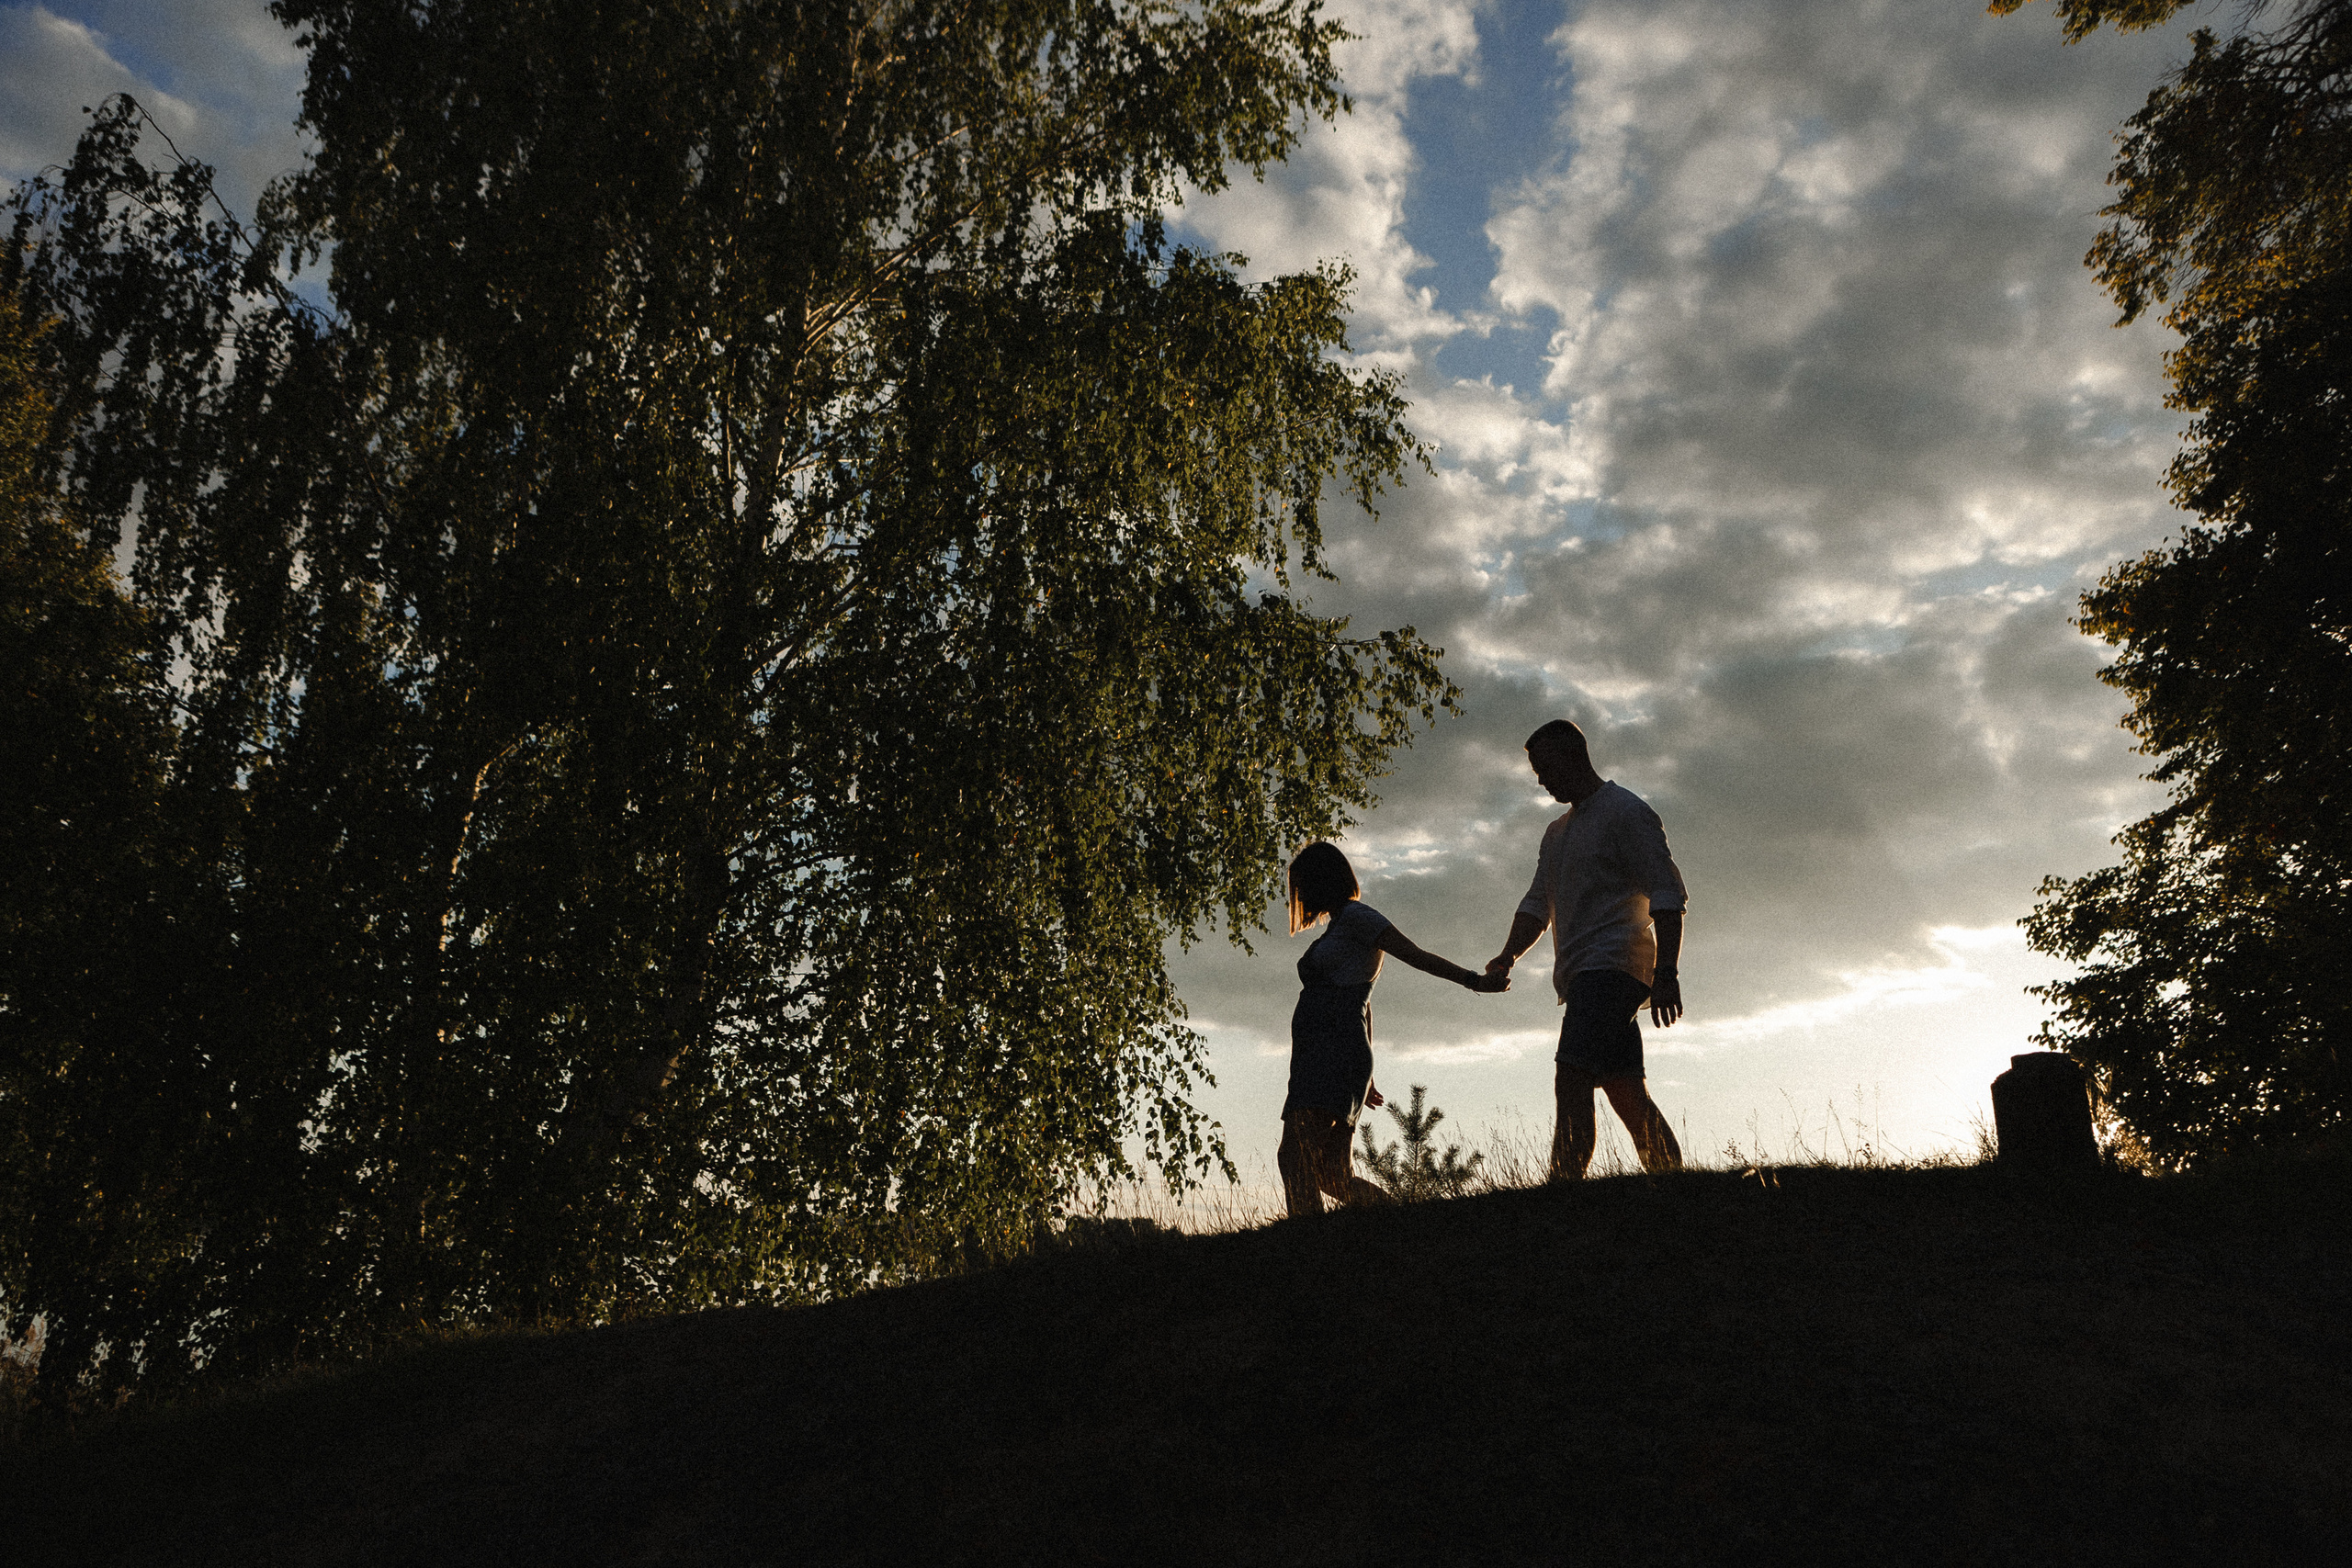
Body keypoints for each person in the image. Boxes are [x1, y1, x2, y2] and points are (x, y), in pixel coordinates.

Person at [1486, 720, 1689, 1178]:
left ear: (1574, 756)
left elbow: (1667, 894)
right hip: (1581, 977)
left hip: (1613, 969)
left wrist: (1666, 974)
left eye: (1545, 767)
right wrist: (1507, 955)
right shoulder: (1556, 833)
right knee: (1625, 1090)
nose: (1541, 780)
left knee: (1572, 1077)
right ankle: (1675, 1184)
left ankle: (1563, 1187)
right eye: (1536, 771)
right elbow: (1537, 904)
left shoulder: (1626, 812)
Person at [1281, 840, 1506, 1217]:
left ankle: (1309, 1244)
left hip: (1332, 1054)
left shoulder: (1359, 918)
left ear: (1324, 880)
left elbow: (1415, 956)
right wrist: (1367, 1076)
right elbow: (1365, 1006)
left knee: (1295, 1158)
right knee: (1332, 1175)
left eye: (1303, 886)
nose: (1299, 896)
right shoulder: (1339, 926)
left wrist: (1474, 981)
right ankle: (1408, 1223)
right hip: (1327, 1053)